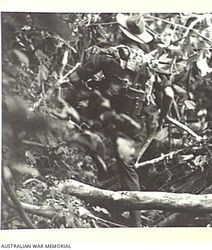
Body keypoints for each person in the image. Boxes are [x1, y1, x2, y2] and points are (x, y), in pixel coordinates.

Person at [67, 14, 174, 227]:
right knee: (128, 167)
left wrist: (85, 88)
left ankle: (129, 221)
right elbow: (169, 94)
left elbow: (74, 78)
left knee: (112, 159)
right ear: (141, 38)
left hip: (103, 117)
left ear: (121, 32)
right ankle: (130, 218)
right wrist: (163, 116)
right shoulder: (151, 63)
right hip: (135, 121)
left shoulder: (108, 55)